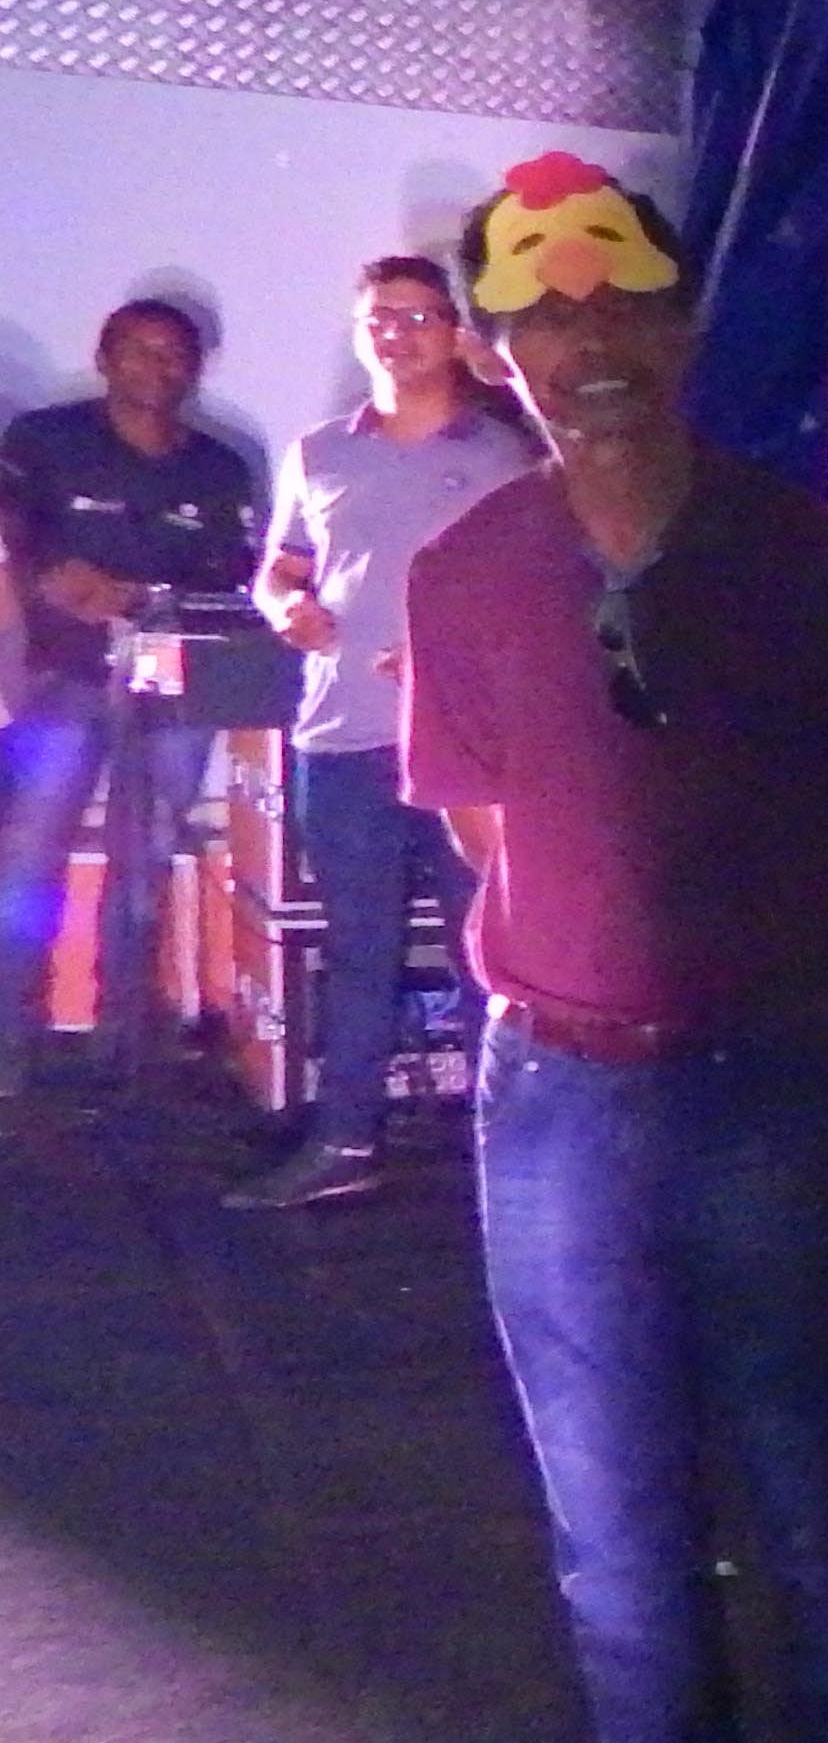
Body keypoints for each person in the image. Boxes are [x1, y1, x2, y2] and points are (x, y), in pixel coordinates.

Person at [404, 153, 828, 1743]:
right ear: (496, 349)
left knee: (817, 1475)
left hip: (771, 1076)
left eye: (621, 301)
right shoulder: (463, 575)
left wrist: (799, 962)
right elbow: (481, 820)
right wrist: (585, 962)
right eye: (543, 314)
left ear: (686, 320)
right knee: (604, 1477)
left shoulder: (823, 564)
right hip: (553, 1092)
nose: (588, 342)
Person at [229, 254, 540, 1206]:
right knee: (358, 950)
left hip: (466, 742)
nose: (398, 335)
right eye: (381, 319)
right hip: (344, 737)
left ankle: (509, 1154)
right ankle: (345, 1143)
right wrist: (284, 607)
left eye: (417, 317)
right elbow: (281, 566)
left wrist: (458, 653)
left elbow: (540, 588)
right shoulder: (321, 452)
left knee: (486, 949)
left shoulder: (502, 454)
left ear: (453, 332)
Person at [0, 295, 261, 1094]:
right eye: (142, 350)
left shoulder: (221, 467)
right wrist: (51, 581)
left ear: (197, 367)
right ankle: (12, 1039)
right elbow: (11, 543)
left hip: (175, 693)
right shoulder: (43, 442)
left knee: (144, 862)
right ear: (105, 358)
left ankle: (126, 1045)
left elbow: (236, 578)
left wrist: (154, 600)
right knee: (30, 857)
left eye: (176, 353)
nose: (160, 366)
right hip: (60, 681)